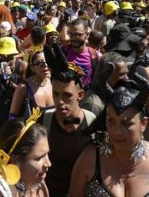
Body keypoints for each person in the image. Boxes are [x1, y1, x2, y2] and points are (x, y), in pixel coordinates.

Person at [69, 76, 149, 196]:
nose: (117, 131)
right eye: (111, 121)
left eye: (126, 123)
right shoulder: (90, 158)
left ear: (143, 124)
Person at [42, 43, 97, 197]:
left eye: (67, 95)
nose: (59, 101)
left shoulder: (92, 122)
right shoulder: (44, 120)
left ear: (80, 95)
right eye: (56, 94)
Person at [0, 114, 51, 197]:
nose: (48, 163)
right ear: (15, 160)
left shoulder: (40, 186)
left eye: (47, 154)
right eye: (39, 158)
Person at [9, 49, 54, 120]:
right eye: (40, 63)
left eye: (48, 62)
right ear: (32, 67)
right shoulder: (23, 87)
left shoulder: (54, 82)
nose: (45, 66)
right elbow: (12, 116)